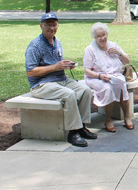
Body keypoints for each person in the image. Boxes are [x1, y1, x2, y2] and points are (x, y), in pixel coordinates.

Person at [25, 12, 97, 147]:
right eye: (48, 25)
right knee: (69, 94)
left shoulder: (56, 41)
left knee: (85, 90)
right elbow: (30, 72)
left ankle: (82, 126)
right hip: (42, 84)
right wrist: (55, 67)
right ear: (41, 26)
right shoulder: (35, 46)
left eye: (54, 25)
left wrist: (66, 65)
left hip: (61, 79)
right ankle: (73, 132)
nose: (52, 28)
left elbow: (56, 63)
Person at [83, 22, 134, 133]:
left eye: (104, 35)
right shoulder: (90, 49)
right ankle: (107, 120)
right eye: (98, 36)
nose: (102, 38)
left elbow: (127, 61)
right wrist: (100, 76)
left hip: (114, 75)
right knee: (108, 88)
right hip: (96, 77)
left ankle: (127, 117)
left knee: (122, 86)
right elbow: (87, 71)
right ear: (95, 37)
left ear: (107, 34)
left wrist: (119, 53)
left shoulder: (113, 45)